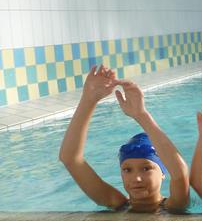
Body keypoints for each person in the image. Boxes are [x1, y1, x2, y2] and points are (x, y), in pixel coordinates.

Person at [59, 66, 190, 212]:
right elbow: (70, 158)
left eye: (146, 168)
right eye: (127, 170)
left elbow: (180, 174)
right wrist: (89, 99)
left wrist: (141, 115)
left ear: (163, 173)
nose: (137, 178)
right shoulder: (116, 202)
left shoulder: (174, 205)